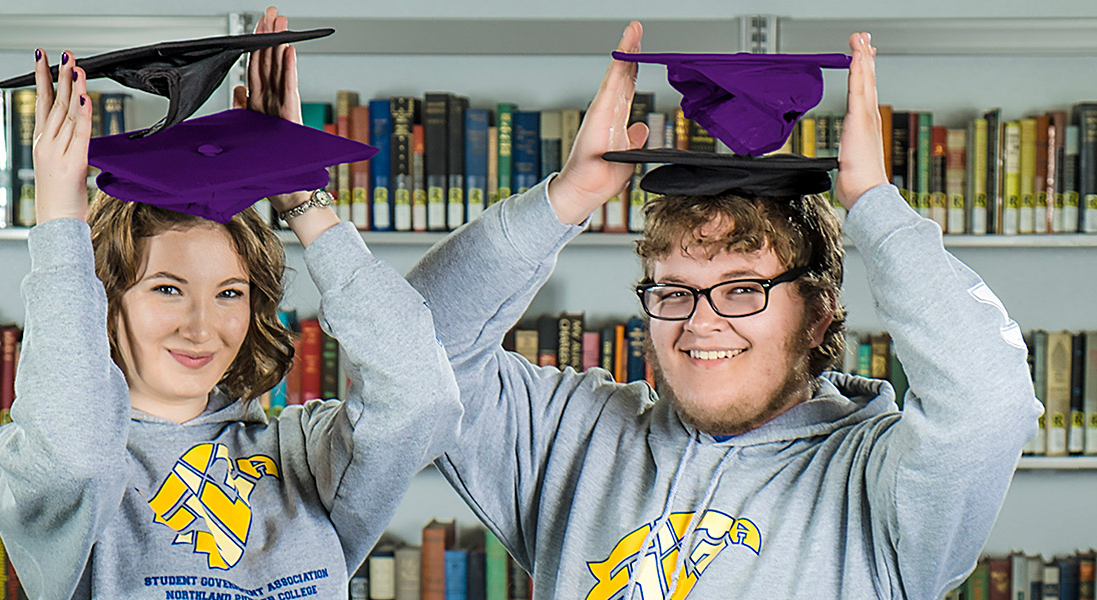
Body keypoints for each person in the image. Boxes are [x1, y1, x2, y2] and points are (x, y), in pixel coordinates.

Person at [407, 26, 1041, 599]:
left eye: (742, 289)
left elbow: (988, 400)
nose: (700, 322)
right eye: (675, 290)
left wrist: (874, 206)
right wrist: (565, 200)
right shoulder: (570, 442)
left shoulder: (879, 484)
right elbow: (410, 348)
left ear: (819, 315)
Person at [0, 8, 461, 599]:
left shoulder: (302, 457)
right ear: (102, 299)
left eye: (230, 293)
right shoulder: (48, 470)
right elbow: (77, 449)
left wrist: (300, 190)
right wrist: (60, 222)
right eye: (166, 288)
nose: (202, 328)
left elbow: (422, 395)